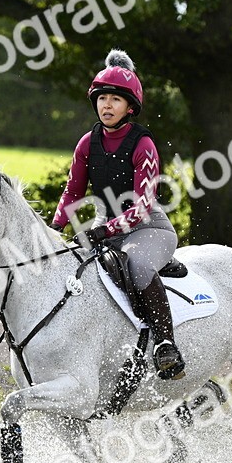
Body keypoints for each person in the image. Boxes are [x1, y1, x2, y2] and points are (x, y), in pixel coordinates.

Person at [50, 49, 185, 380]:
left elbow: (140, 208)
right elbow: (73, 192)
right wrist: (55, 228)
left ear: (130, 107)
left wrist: (103, 231)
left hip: (149, 229)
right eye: (102, 99)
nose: (106, 106)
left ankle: (167, 346)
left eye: (115, 100)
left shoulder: (144, 145)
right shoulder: (86, 143)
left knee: (138, 266)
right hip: (107, 229)